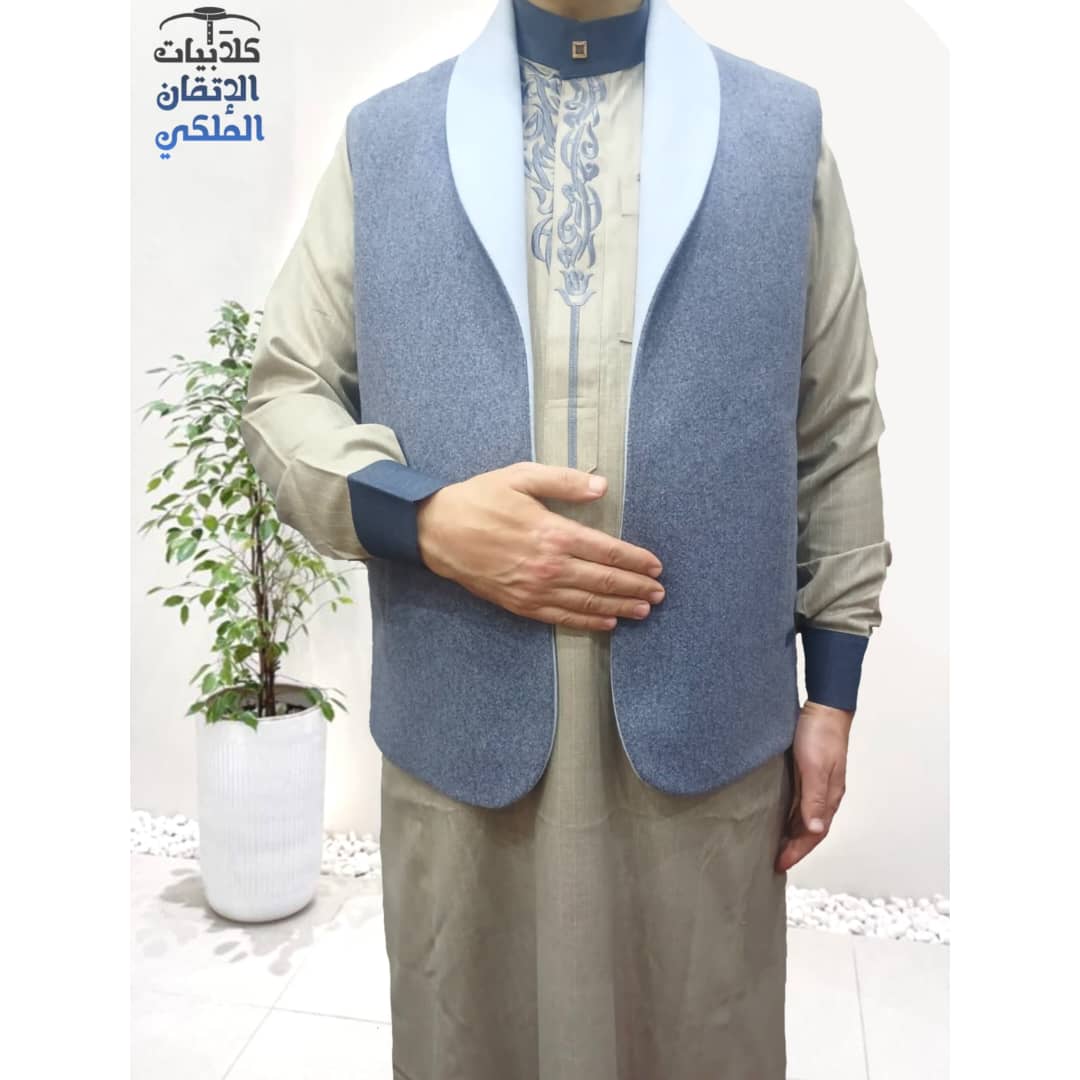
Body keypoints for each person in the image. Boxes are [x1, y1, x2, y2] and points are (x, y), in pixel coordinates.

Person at [240, 0, 892, 1076]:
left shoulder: (781, 134)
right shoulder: (386, 143)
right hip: (463, 732)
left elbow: (834, 427)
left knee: (702, 1035)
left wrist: (833, 688)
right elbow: (283, 395)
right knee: (470, 1038)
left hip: (706, 734)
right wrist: (425, 518)